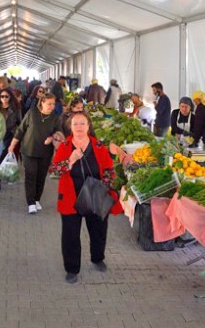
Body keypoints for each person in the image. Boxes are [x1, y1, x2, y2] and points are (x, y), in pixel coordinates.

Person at [49, 111, 122, 284]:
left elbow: (109, 170)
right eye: (75, 124)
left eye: (83, 123)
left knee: (98, 231)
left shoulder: (98, 146)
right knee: (70, 235)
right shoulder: (65, 146)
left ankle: (98, 258)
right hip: (70, 198)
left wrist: (104, 185)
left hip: (95, 195)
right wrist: (70, 161)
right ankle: (72, 269)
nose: (79, 127)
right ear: (70, 127)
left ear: (89, 126)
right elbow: (54, 171)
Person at [10, 93, 64, 214]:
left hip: (45, 152)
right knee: (31, 175)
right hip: (28, 150)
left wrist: (53, 137)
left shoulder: (55, 118)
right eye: (49, 104)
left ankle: (37, 199)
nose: (52, 106)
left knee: (41, 177)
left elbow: (60, 134)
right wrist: (12, 145)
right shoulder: (32, 113)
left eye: (53, 104)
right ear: (42, 103)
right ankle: (31, 202)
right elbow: (21, 130)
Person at [0, 89, 22, 168]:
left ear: (10, 97)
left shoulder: (15, 109)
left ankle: (1, 174)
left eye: (6, 96)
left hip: (10, 134)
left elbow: (20, 123)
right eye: (2, 96)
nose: (4, 98)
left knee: (4, 154)